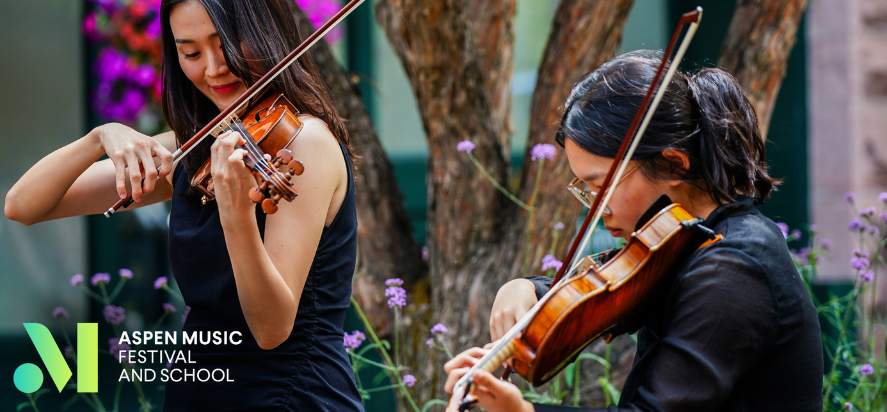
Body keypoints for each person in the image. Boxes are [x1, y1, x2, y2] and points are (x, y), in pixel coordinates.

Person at [4, 0, 363, 410]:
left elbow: (271, 328)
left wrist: (236, 215)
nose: (212, 68)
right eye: (191, 53)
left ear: (266, 31)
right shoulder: (196, 149)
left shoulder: (305, 145)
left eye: (224, 43)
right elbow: (23, 205)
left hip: (288, 398)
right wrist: (99, 138)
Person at [442, 51, 823, 412]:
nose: (595, 207)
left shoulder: (732, 268)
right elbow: (597, 291)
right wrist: (525, 288)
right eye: (584, 189)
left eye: (601, 186)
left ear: (672, 165)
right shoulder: (681, 243)